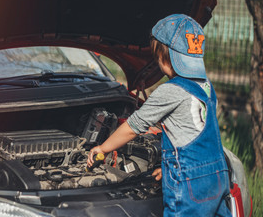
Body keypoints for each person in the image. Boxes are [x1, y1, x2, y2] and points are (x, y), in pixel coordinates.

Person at [87, 14, 232, 216]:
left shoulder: (170, 91)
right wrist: (170, 171)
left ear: (164, 57)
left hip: (190, 184)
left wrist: (102, 148)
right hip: (218, 176)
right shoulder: (206, 87)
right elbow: (193, 133)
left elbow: (133, 127)